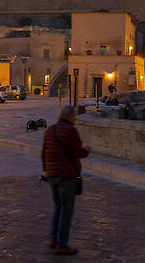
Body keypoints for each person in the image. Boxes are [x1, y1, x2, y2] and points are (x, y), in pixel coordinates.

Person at [41, 105, 90, 256]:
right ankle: (62, 244)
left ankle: (53, 239)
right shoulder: (71, 131)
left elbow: (43, 153)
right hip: (67, 176)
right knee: (67, 210)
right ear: (70, 117)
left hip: (52, 175)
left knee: (58, 207)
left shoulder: (50, 130)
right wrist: (87, 150)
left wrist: (47, 170)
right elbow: (77, 152)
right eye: (74, 116)